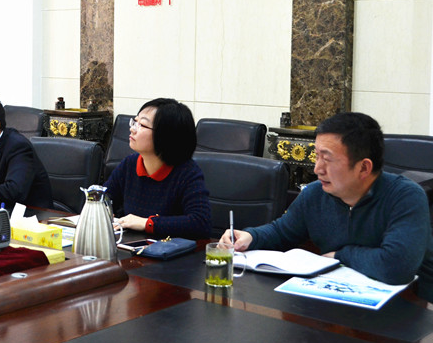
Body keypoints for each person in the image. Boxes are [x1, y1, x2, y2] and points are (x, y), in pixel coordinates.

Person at [220, 112, 433, 298]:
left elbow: (396, 266)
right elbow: (282, 232)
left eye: (327, 159)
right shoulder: (315, 193)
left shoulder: (405, 197)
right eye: (317, 156)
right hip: (340, 300)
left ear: (363, 168)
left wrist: (341, 255)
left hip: (411, 306)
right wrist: (251, 237)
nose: (317, 169)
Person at [104, 98, 211, 239]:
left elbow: (200, 223)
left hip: (170, 249)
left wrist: (147, 223)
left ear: (166, 135)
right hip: (131, 246)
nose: (132, 129)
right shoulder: (130, 164)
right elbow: (104, 199)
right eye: (134, 122)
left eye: (142, 125)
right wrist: (102, 212)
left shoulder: (187, 172)